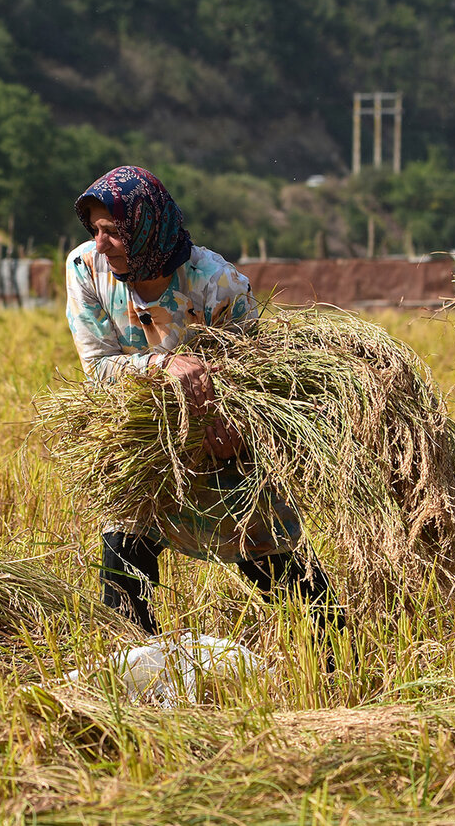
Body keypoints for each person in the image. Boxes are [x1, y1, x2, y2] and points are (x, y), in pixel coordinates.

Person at [65, 165, 345, 637]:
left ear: (145, 227)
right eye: (94, 230)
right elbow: (97, 370)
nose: (99, 243)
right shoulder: (86, 270)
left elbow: (254, 376)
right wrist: (161, 365)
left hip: (218, 438)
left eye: (112, 232)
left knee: (268, 555)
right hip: (143, 440)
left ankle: (341, 652)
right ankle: (144, 680)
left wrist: (230, 423)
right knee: (123, 564)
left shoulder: (217, 282)